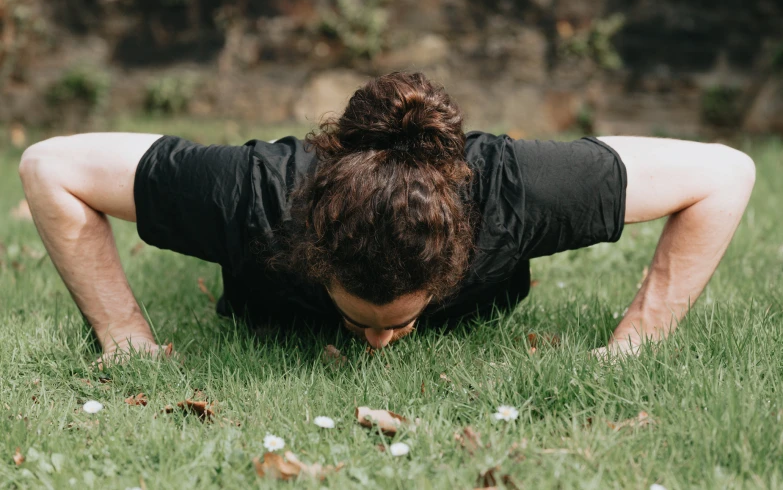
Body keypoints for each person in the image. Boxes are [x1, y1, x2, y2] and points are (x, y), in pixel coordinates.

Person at [18, 72, 755, 360]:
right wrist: (124, 337)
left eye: (399, 322)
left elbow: (724, 174)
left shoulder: (512, 192)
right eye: (363, 321)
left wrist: (634, 342)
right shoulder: (252, 193)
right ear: (310, 251)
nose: (378, 345)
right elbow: (50, 165)